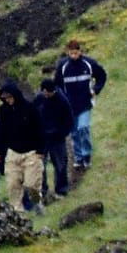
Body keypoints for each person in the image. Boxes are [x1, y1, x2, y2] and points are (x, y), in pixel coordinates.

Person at [53, 40, 108, 170]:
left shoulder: (89, 63)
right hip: (69, 106)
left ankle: (86, 155)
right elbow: (57, 85)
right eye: (71, 53)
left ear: (80, 51)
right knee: (74, 133)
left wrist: (95, 89)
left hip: (85, 103)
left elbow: (102, 76)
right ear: (68, 53)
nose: (74, 56)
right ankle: (78, 158)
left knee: (83, 128)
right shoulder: (63, 66)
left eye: (76, 53)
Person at [0, 81, 45, 212]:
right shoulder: (2, 111)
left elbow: (40, 128)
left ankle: (37, 203)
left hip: (31, 152)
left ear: (15, 95)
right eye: (4, 98)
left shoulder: (29, 107)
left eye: (9, 97)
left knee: (31, 185)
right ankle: (18, 214)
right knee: (12, 185)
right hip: (12, 153)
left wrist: (41, 150)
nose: (8, 100)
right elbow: (1, 133)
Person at [36, 70, 74, 202]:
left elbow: (69, 119)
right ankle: (43, 191)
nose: (46, 94)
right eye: (44, 92)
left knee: (60, 164)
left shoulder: (62, 101)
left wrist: (62, 133)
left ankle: (61, 190)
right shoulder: (39, 99)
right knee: (40, 166)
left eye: (48, 92)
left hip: (57, 138)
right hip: (42, 138)